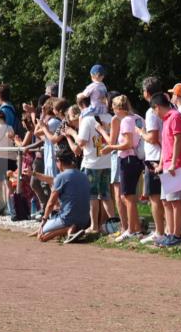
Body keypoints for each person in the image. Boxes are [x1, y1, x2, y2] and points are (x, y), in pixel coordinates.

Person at [102, 95, 144, 243]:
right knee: (127, 196)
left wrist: (110, 148)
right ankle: (136, 229)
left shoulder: (125, 120)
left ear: (118, 108)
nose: (113, 111)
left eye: (113, 108)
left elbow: (127, 143)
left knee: (128, 197)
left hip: (128, 159)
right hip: (137, 159)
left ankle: (131, 230)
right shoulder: (138, 118)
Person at [69, 94, 112, 234]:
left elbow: (81, 142)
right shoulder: (109, 117)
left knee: (92, 195)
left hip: (91, 162)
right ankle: (112, 225)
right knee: (106, 194)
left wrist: (71, 133)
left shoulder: (87, 119)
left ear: (81, 105)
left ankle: (94, 226)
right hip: (106, 161)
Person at [153, 92, 181, 248]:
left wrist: (174, 163)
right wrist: (161, 164)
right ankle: (170, 233)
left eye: (154, 110)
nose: (155, 113)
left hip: (177, 166)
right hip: (168, 166)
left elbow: (178, 140)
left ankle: (176, 235)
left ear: (157, 107)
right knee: (167, 201)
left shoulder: (175, 116)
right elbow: (165, 145)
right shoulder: (166, 120)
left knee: (176, 201)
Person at [34, 151, 92, 243]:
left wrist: (44, 220)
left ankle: (68, 229)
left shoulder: (61, 176)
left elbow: (51, 203)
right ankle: (72, 230)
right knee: (47, 228)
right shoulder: (84, 175)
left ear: (59, 162)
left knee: (41, 236)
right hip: (85, 220)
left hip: (67, 218)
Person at [140, 77, 168, 245]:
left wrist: (140, 132)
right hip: (164, 155)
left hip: (155, 157)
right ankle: (167, 231)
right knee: (165, 197)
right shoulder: (168, 105)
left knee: (155, 197)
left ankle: (159, 231)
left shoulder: (151, 111)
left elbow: (153, 137)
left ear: (147, 92)